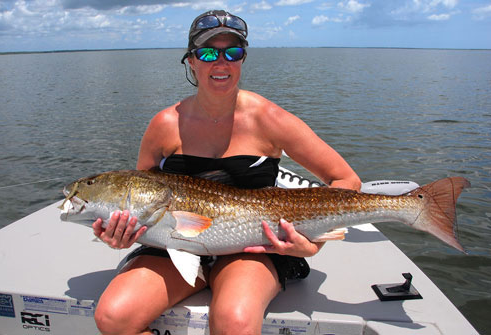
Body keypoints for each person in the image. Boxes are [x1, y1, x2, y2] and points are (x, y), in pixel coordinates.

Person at [92, 9, 361, 335]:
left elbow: (346, 181)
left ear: (243, 58)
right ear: (191, 60)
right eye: (207, 52)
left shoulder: (269, 119)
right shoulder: (164, 125)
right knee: (112, 317)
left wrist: (312, 244)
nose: (221, 62)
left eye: (232, 52)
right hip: (173, 246)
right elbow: (139, 195)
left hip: (249, 247)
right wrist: (122, 233)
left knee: (234, 321)